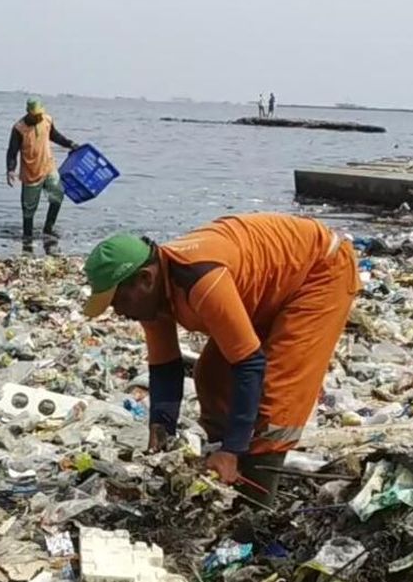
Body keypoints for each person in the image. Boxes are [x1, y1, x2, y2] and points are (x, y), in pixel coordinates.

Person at [82, 214, 360, 507]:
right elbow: (165, 368)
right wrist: (161, 427)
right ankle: (232, 466)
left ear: (144, 279)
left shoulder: (200, 279)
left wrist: (233, 449)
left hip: (319, 271)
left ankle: (256, 505)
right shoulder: (152, 298)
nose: (118, 312)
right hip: (269, 288)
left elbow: (249, 364)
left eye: (118, 301)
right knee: (212, 377)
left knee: (278, 398)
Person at [6, 97, 79, 240]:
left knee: (57, 196)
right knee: (29, 209)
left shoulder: (47, 120)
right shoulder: (19, 128)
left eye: (40, 114)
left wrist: (70, 144)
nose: (39, 117)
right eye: (36, 115)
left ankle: (48, 229)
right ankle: (27, 236)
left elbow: (55, 136)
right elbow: (12, 152)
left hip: (49, 168)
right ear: (29, 113)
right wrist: (10, 170)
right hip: (31, 172)